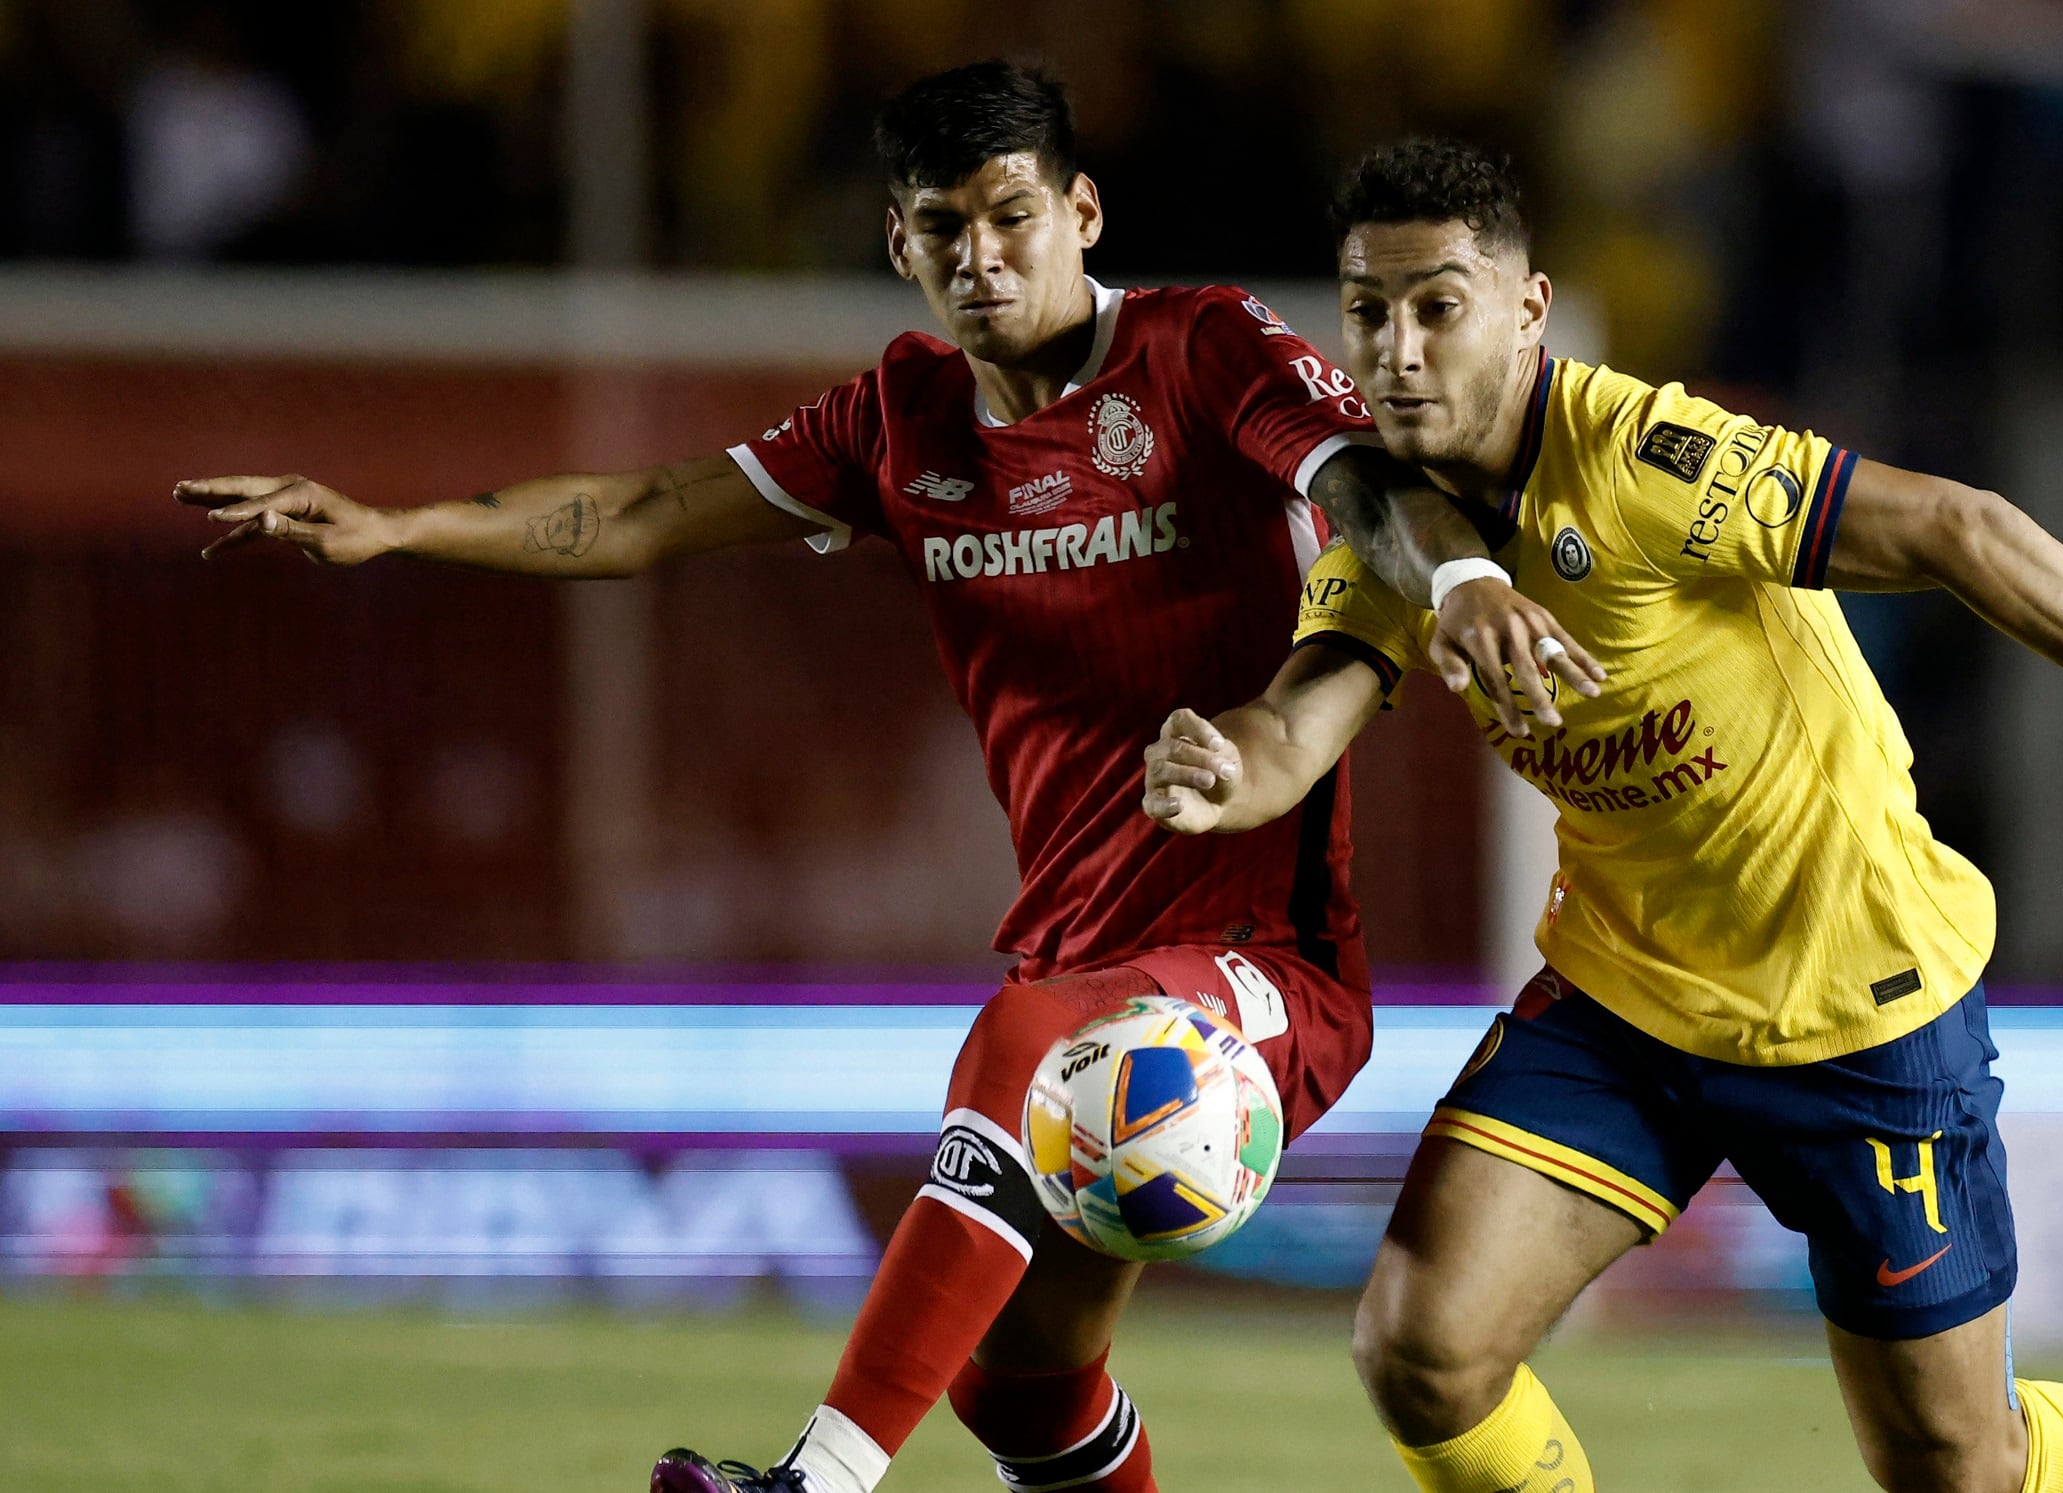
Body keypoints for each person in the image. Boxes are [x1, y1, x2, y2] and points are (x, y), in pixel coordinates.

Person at [175, 71, 1602, 1493]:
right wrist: (393, 525)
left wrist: (1466, 576)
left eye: (1011, 216)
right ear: (898, 243)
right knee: (1019, 1389)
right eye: (944, 227)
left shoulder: (1198, 347)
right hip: (1080, 940)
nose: (981, 257)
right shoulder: (898, 418)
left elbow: (1357, 477)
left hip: (1256, 968)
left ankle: (814, 1482)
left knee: (1021, 1042)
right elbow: (646, 510)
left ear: (1080, 214)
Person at [1142, 139, 2063, 1493]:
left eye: (1437, 305)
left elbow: (1960, 529)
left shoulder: (1648, 458)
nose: (1395, 348)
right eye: (1367, 310)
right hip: (1631, 997)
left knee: (1958, 1467)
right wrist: (1225, 767)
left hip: (1860, 1002)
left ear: (1528, 308)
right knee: (1421, 1348)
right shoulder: (1390, 534)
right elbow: (1297, 722)